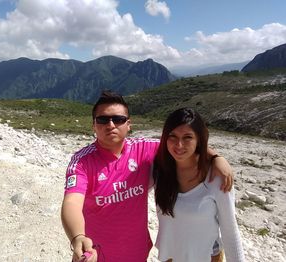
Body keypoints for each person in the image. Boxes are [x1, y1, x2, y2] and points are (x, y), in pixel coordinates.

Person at [61, 91, 233, 262]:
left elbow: (179, 145)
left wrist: (216, 157)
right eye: (103, 119)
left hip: (137, 253)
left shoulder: (143, 149)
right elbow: (72, 202)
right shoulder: (82, 162)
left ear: (129, 124)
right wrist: (77, 237)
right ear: (94, 125)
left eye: (118, 119)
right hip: (97, 254)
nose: (111, 125)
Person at [153, 108, 245, 262]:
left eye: (187, 137)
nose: (179, 144)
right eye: (172, 136)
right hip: (170, 255)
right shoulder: (159, 169)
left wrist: (217, 157)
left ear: (199, 140)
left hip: (206, 256)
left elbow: (229, 230)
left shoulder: (216, 177)